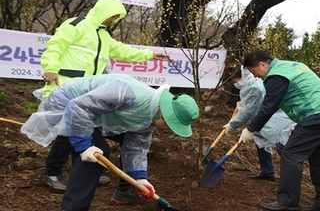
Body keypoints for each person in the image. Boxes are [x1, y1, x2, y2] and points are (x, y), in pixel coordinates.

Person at [38, 0, 170, 194]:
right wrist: (51, 68)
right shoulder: (77, 25)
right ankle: (52, 173)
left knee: (85, 129)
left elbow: (124, 52)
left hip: (90, 93)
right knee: (67, 132)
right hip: (65, 87)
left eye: (117, 18)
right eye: (112, 15)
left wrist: (149, 54)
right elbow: (56, 45)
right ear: (103, 10)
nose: (113, 20)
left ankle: (85, 171)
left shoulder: (104, 36)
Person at [21, 73, 199, 211]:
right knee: (98, 153)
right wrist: (84, 146)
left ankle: (125, 192)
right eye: (170, 124)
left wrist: (139, 178)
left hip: (99, 116)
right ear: (164, 113)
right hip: (69, 104)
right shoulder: (127, 94)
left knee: (111, 145)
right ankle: (73, 208)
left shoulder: (151, 118)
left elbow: (135, 147)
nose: (169, 130)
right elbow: (78, 107)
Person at [240, 51, 320, 211]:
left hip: (315, 116)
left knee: (291, 155)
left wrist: (251, 128)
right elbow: (278, 103)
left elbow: (269, 106)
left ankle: (287, 203)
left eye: (255, 72)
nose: (256, 77)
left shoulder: (276, 75)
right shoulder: (292, 66)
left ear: (263, 64)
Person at [222, 65, 294, 181]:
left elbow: (249, 111)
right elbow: (246, 106)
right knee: (261, 141)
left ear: (240, 76)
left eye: (234, 81)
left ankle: (288, 182)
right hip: (265, 118)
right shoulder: (250, 84)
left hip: (276, 120)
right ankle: (267, 171)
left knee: (282, 147)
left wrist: (233, 124)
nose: (235, 84)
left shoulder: (254, 87)